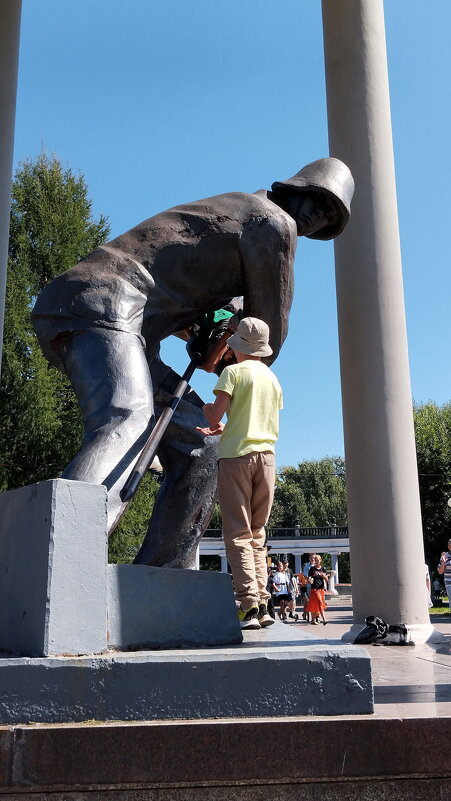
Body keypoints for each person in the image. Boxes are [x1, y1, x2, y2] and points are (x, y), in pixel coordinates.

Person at [32, 158, 354, 569]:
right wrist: (231, 362)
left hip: (116, 321)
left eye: (327, 215)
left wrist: (211, 335)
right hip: (105, 303)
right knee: (128, 419)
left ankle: (161, 579)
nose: (315, 216)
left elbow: (183, 308)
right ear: (295, 188)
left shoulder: (236, 212)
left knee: (201, 446)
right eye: (316, 201)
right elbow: (265, 339)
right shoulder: (273, 223)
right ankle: (57, 565)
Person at [198, 316, 283, 629]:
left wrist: (209, 413)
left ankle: (247, 607)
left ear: (237, 346)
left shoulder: (232, 372)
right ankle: (262, 605)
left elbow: (214, 413)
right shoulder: (272, 379)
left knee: (237, 533)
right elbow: (256, 420)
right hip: (268, 459)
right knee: (258, 535)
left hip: (236, 458)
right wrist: (227, 426)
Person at [306, 554, 329, 625]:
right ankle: (324, 619)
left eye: (318, 560)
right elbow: (309, 579)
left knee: (315, 604)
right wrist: (310, 580)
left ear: (320, 560)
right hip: (314, 589)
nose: (316, 561)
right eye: (315, 560)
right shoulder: (312, 569)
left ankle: (313, 620)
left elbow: (327, 580)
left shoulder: (323, 569)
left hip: (321, 589)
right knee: (320, 603)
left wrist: (324, 576)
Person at [302, 553, 316, 621]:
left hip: (317, 586)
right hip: (310, 585)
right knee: (311, 601)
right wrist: (309, 580)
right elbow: (305, 576)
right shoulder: (307, 566)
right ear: (309, 558)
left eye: (314, 557)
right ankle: (311, 616)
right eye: (311, 558)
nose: (313, 559)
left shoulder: (317, 565)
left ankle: (317, 616)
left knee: (317, 601)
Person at [437, 540, 451, 609]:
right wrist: (443, 562)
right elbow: (440, 571)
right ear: (449, 547)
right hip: (449, 583)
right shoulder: (445, 556)